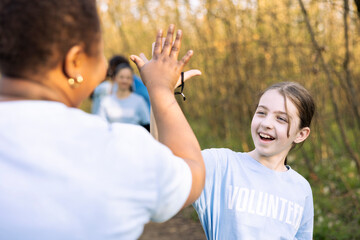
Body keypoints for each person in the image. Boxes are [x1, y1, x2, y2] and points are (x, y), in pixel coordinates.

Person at [0, 1, 205, 239]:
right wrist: (161, 90)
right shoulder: (120, 151)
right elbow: (193, 170)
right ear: (74, 61)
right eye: (99, 52)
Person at [192, 82, 315, 239]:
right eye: (262, 113)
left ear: (301, 134)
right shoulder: (220, 165)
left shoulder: (301, 189)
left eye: (281, 119)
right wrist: (160, 90)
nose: (266, 123)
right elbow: (164, 163)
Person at [98, 63, 150, 130]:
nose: (124, 80)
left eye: (128, 78)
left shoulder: (139, 101)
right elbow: (100, 125)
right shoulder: (105, 102)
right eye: (121, 77)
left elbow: (147, 125)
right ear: (115, 78)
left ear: (132, 80)